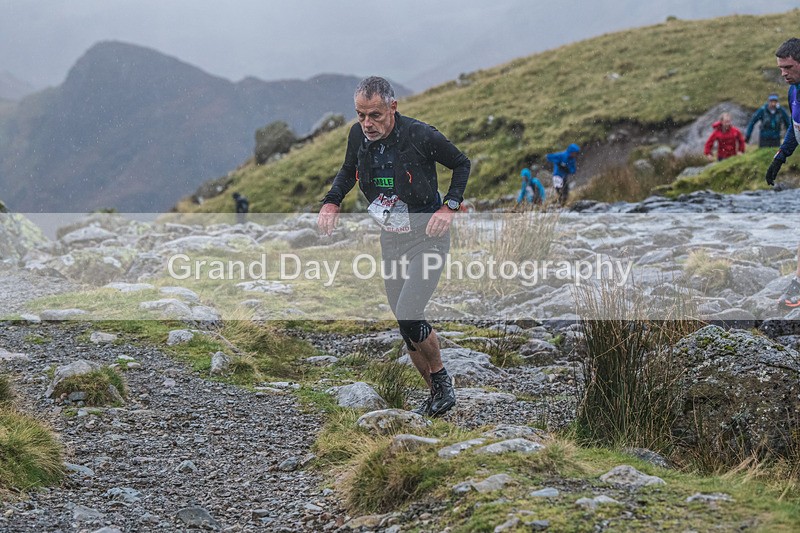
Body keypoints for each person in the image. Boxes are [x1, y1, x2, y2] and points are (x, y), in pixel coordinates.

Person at [317, 76, 470, 416]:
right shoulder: (358, 135)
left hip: (428, 235)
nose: (367, 124)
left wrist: (450, 206)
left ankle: (443, 381)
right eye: (360, 115)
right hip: (392, 237)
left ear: (393, 108)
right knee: (404, 323)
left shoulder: (420, 135)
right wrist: (332, 201)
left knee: (410, 311)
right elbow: (349, 169)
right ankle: (437, 399)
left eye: (374, 115)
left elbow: (462, 164)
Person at [764, 38, 800, 310]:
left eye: (788, 67)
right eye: (780, 69)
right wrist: (780, 156)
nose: (784, 73)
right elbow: (795, 126)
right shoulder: (793, 92)